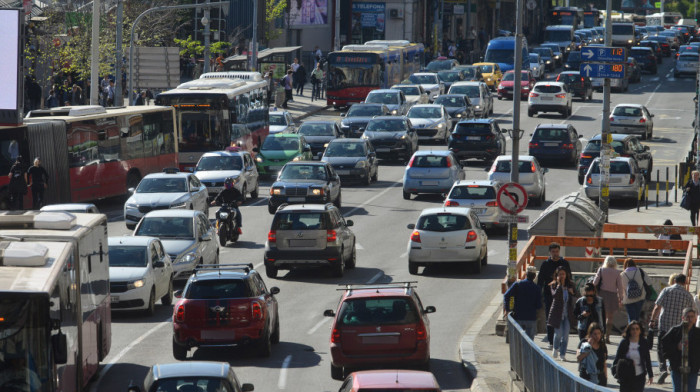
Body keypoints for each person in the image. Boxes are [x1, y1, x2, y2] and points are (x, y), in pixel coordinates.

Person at [650, 273, 697, 384]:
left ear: (675, 280)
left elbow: (657, 306)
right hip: (678, 328)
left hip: (665, 324)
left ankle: (662, 369)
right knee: (675, 348)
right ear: (685, 282)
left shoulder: (666, 291)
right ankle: (672, 366)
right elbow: (693, 312)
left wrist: (652, 320)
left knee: (661, 348)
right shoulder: (687, 295)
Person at [536, 242, 572, 348]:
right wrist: (539, 294)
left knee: (563, 317)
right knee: (550, 317)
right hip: (549, 295)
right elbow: (540, 280)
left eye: (557, 251)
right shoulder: (545, 264)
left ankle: (560, 340)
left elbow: (570, 277)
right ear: (549, 252)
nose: (555, 253)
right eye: (553, 252)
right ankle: (551, 340)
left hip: (563, 294)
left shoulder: (564, 263)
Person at [660, 307, 700, 392]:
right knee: (677, 390)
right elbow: (663, 345)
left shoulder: (698, 332)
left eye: (692, 316)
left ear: (695, 318)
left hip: (693, 367)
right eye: (687, 317)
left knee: (691, 390)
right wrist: (676, 347)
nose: (690, 319)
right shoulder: (675, 330)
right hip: (677, 366)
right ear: (683, 318)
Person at [548, 266, 579, 361]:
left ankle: (562, 354)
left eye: (563, 274)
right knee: (558, 334)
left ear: (566, 275)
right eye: (560, 274)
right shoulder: (553, 285)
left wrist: (572, 292)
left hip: (567, 314)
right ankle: (555, 347)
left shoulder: (570, 284)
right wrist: (559, 285)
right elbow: (554, 296)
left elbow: (577, 295)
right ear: (556, 276)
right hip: (557, 313)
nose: (562, 276)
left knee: (565, 335)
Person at [613, 321, 654, 391]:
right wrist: (616, 374)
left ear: (640, 331)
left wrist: (650, 375)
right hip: (626, 376)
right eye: (633, 329)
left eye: (637, 329)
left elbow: (647, 359)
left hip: (639, 376)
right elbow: (617, 359)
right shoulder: (624, 342)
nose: (635, 331)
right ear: (629, 330)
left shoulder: (644, 342)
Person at [503, 266, 542, 339]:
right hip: (531, 317)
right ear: (534, 276)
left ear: (526, 274)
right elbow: (538, 305)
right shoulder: (537, 288)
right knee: (529, 342)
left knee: (517, 340)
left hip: (518, 316)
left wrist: (508, 309)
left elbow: (506, 296)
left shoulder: (518, 284)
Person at [593, 255, 624, 343]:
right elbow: (620, 287)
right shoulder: (617, 272)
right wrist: (621, 298)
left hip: (602, 294)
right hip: (613, 295)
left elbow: (595, 282)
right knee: (610, 317)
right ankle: (607, 336)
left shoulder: (601, 270)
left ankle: (600, 335)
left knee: (601, 316)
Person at [620, 258, 650, 324]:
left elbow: (620, 289)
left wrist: (620, 300)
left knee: (631, 317)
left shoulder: (622, 274)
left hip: (628, 300)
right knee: (637, 317)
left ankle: (631, 331)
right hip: (640, 297)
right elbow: (648, 282)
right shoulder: (640, 271)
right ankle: (636, 331)